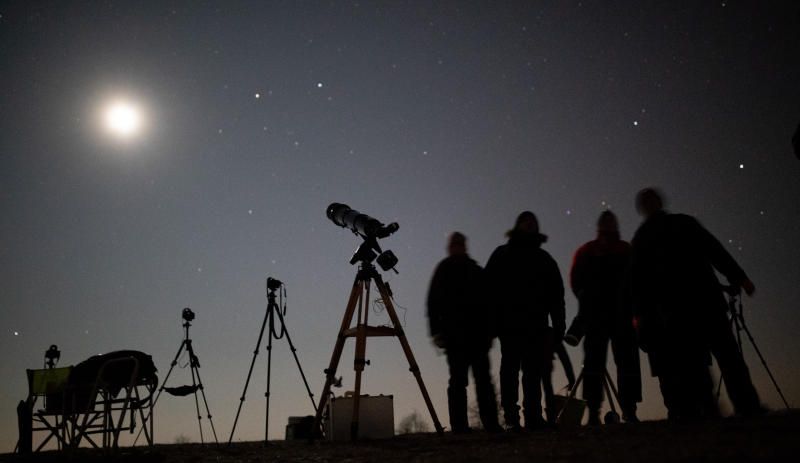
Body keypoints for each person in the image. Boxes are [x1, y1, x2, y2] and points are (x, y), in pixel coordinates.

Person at [630, 188, 761, 420]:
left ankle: (742, 408)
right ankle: (718, 410)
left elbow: (713, 249)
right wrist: (641, 315)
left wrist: (739, 277)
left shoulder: (665, 229)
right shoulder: (648, 236)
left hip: (697, 302)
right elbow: (638, 282)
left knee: (723, 358)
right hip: (683, 307)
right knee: (704, 362)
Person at [485, 212, 566, 430]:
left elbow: (556, 296)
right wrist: (490, 322)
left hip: (536, 324)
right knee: (510, 369)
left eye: (532, 222)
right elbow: (488, 289)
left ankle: (533, 416)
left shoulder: (545, 259)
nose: (529, 225)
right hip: (508, 323)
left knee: (533, 372)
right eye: (525, 221)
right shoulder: (502, 254)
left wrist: (559, 325)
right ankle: (511, 416)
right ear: (518, 226)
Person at [567, 210, 642, 424]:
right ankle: (593, 412)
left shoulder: (625, 249)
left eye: (611, 221)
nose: (608, 224)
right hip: (595, 317)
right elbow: (576, 280)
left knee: (627, 363)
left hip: (622, 315)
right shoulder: (587, 250)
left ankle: (629, 409)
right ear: (601, 225)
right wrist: (585, 299)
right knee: (593, 364)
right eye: (605, 221)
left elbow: (636, 279)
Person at [427, 232, 501, 433]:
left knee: (482, 382)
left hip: (477, 336)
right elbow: (433, 303)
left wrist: (490, 330)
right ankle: (460, 426)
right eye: (455, 244)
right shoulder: (446, 270)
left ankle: (491, 423)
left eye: (459, 244)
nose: (457, 247)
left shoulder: (475, 270)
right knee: (460, 381)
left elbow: (489, 302)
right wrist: (436, 331)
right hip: (455, 336)